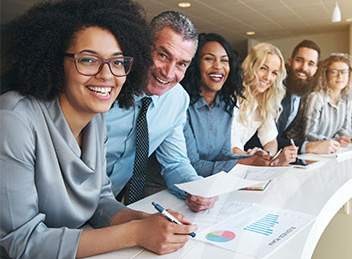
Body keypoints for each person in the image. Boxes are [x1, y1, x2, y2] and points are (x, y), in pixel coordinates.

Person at [0, 0, 197, 259]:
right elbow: (21, 243)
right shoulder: (13, 119)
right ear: (56, 61)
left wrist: (145, 221)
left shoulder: (95, 120)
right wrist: (135, 233)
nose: (106, 75)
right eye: (88, 59)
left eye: (117, 62)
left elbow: (99, 200)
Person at [105, 11, 217, 211]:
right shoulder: (106, 84)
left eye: (181, 64)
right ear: (143, 47)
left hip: (108, 206)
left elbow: (175, 162)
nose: (168, 73)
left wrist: (195, 187)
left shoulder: (177, 99)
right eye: (163, 55)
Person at [181, 33, 272, 177]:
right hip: (167, 189)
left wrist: (254, 158)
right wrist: (243, 163)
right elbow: (192, 165)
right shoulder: (183, 105)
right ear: (195, 63)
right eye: (209, 59)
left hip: (208, 184)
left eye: (224, 60)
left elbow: (222, 154)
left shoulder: (226, 106)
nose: (218, 66)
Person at [231, 42, 297, 165]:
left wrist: (268, 154)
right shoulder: (231, 97)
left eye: (274, 73)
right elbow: (231, 148)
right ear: (251, 66)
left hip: (241, 164)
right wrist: (252, 157)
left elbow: (271, 141)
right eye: (263, 68)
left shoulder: (263, 101)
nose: (268, 77)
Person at [287, 54, 352, 144]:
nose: (340, 76)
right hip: (301, 149)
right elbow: (308, 134)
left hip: (327, 149)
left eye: (344, 72)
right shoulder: (316, 98)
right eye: (334, 72)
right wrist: (333, 141)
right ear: (326, 74)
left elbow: (345, 130)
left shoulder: (347, 99)